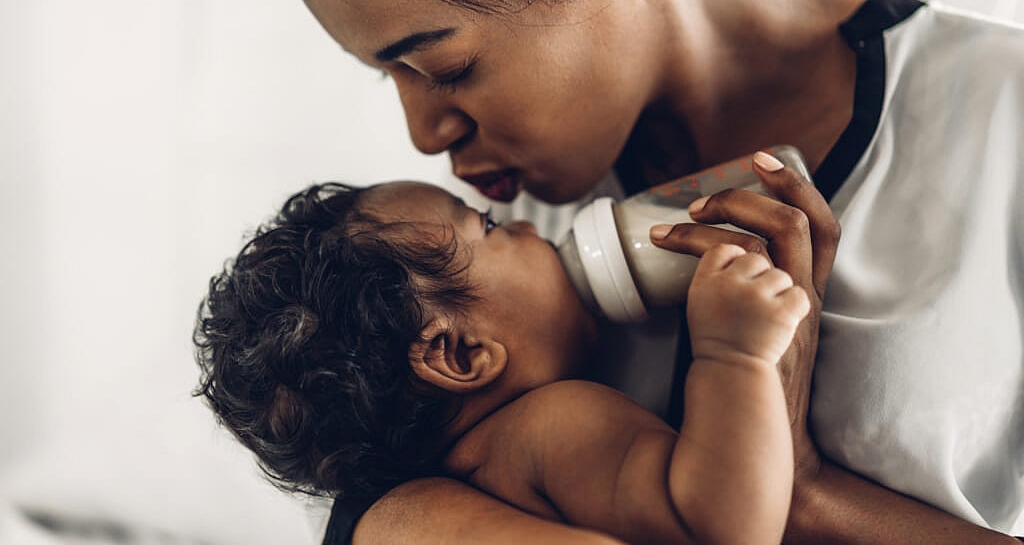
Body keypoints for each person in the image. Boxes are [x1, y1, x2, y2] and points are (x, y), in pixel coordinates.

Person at [256, 0, 1024, 542]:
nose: (425, 136)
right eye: (385, 73)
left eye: (444, 65)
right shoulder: (486, 243)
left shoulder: (1001, 118)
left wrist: (807, 495)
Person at [194, 158, 812, 545]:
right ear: (459, 354)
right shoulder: (550, 426)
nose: (523, 224)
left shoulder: (468, 477)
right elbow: (720, 527)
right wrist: (735, 355)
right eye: (487, 227)